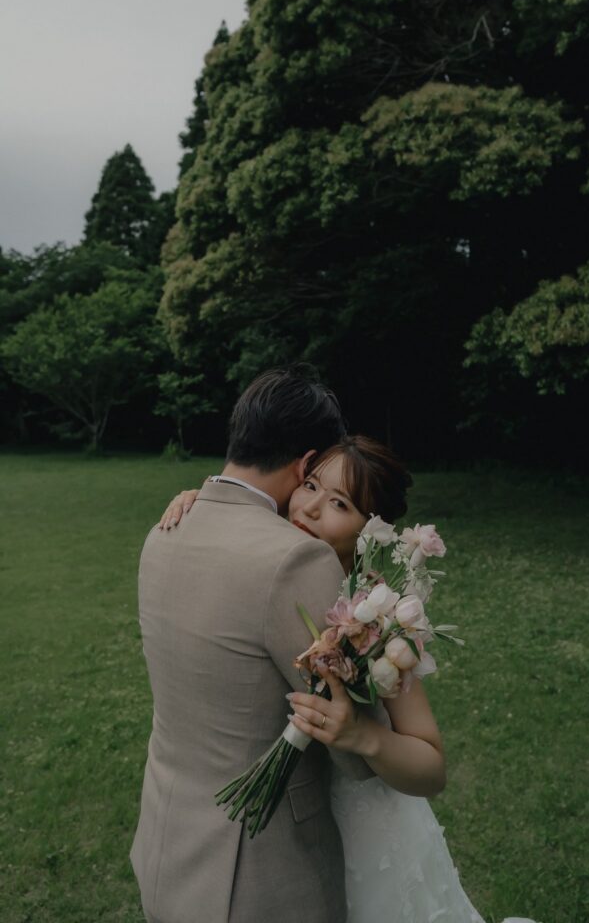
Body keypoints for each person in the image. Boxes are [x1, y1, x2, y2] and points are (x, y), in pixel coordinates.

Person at [158, 433, 539, 923]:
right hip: (287, 846)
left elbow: (432, 768)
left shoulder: (378, 618)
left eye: (339, 502)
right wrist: (201, 500)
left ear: (369, 531)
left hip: (367, 837)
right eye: (311, 485)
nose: (311, 508)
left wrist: (363, 736)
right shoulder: (271, 564)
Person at [131, 366, 385, 923]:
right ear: (304, 464)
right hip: (256, 875)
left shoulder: (165, 530)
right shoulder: (295, 558)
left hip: (162, 844)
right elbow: (357, 754)